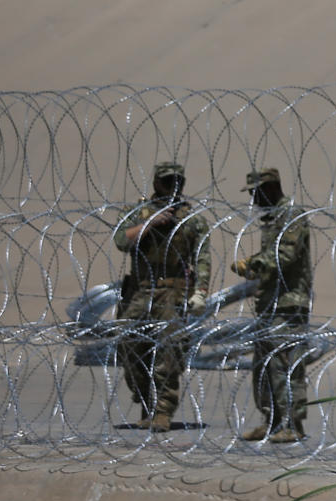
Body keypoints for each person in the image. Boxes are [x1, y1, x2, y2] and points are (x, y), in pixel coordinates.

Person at [110, 160, 212, 432]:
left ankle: (163, 409)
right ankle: (145, 401)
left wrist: (201, 291)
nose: (172, 187)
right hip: (140, 290)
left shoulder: (192, 220)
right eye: (167, 181)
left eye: (177, 182)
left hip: (173, 291)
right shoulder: (137, 212)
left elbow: (202, 257)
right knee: (130, 346)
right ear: (156, 183)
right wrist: (151, 223)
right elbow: (121, 240)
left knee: (170, 351)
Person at [229, 168, 315, 444]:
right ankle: (271, 421)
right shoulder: (274, 218)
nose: (253, 198)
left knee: (286, 365)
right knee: (264, 366)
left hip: (289, 304)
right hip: (270, 302)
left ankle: (292, 424)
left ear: (270, 187)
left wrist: (252, 263)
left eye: (256, 192)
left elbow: (285, 255)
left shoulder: (291, 215)